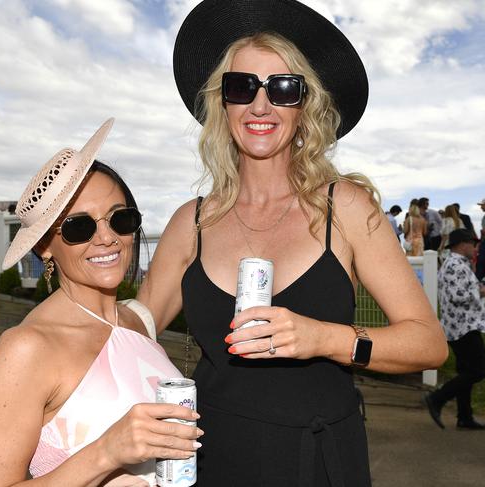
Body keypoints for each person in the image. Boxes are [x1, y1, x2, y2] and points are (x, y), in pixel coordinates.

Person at [138, 2, 448, 485]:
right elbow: (133, 337)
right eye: (242, 87)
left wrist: (324, 338)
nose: (260, 106)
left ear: (305, 106)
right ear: (223, 103)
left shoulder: (344, 209)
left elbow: (428, 343)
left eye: (283, 89)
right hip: (212, 455)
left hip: (319, 458)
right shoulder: (190, 223)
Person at [0, 119, 201, 486]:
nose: (107, 238)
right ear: (45, 246)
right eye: (79, 227)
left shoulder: (134, 323)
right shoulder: (25, 349)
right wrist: (107, 451)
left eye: (119, 219)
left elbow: (187, 248)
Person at [424, 228, 485, 430]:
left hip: (460, 327)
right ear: (463, 244)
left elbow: (460, 291)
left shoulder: (456, 264)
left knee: (466, 372)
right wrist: (481, 291)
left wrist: (477, 288)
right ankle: (437, 398)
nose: (475, 248)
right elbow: (458, 295)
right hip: (463, 328)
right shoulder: (455, 264)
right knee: (477, 371)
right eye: (473, 244)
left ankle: (465, 417)